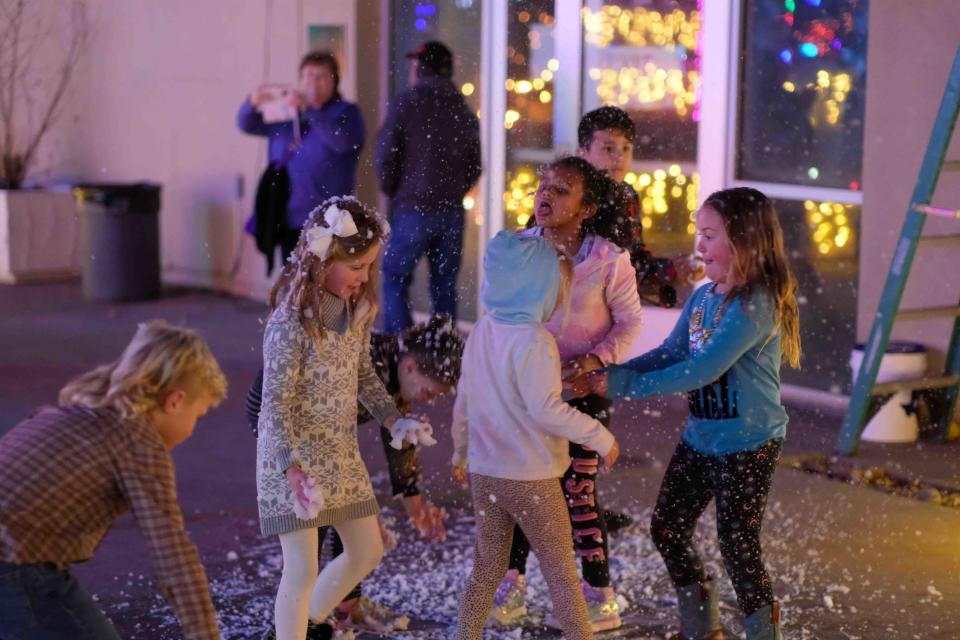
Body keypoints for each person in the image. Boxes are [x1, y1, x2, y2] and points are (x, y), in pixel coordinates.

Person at [568, 188, 801, 640]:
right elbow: (671, 354)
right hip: (700, 439)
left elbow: (700, 370)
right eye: (700, 233)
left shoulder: (756, 306)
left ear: (745, 242)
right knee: (668, 527)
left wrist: (616, 384)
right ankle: (701, 627)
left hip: (748, 444)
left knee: (737, 546)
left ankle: (763, 634)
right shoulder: (702, 299)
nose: (698, 246)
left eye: (709, 235)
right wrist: (608, 370)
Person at [489, 156, 642, 633]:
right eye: (542, 186)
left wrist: (597, 360)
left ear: (587, 208)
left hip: (583, 392)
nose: (545, 196)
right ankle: (510, 584)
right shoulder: (518, 248)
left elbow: (631, 321)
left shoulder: (607, 259)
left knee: (577, 492)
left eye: (561, 190)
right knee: (523, 489)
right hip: (526, 392)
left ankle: (599, 594)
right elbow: (501, 316)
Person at [0, 320, 227, 639]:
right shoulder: (137, 441)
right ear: (174, 401)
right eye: (198, 416)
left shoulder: (77, 414)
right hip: (14, 564)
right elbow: (173, 554)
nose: (193, 428)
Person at [246, 315, 464, 633]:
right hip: (279, 419)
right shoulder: (370, 361)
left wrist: (413, 499)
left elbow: (398, 444)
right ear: (410, 367)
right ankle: (306, 620)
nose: (428, 401)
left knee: (350, 525)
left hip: (323, 435)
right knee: (313, 532)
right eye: (430, 392)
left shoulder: (395, 372)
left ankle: (319, 617)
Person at [451, 231, 620, 640]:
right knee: (561, 574)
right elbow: (547, 409)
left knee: (487, 569)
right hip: (533, 480)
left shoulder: (482, 332)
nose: (561, 298)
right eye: (557, 288)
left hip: (487, 475)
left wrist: (460, 453)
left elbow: (465, 399)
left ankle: (464, 635)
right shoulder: (536, 342)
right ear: (536, 289)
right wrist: (599, 436)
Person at [256, 196, 410, 640]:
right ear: (322, 260)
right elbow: (274, 405)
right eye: (357, 266)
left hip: (339, 454)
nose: (364, 279)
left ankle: (309, 624)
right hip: (293, 462)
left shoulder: (356, 313)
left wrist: (392, 419)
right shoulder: (291, 323)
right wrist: (291, 466)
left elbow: (364, 374)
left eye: (369, 267)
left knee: (367, 549)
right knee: (302, 567)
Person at [375, 40, 482, 332]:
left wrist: (396, 191)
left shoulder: (407, 103)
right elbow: (475, 164)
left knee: (395, 278)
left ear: (421, 68)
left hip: (413, 208)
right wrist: (453, 192)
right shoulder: (461, 107)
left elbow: (386, 154)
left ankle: (401, 353)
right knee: (444, 287)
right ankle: (441, 357)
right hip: (450, 211)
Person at [238, 51, 366, 266]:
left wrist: (310, 111)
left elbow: (342, 142)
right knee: (293, 283)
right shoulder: (288, 112)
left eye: (321, 76)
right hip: (288, 215)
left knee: (324, 283)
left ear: (335, 81)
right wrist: (252, 102)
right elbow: (247, 124)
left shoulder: (347, 113)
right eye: (308, 75)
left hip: (327, 219)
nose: (313, 82)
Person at [577, 105, 703, 307]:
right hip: (571, 311)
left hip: (613, 312)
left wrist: (672, 271)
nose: (619, 157)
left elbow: (633, 260)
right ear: (582, 153)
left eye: (626, 148)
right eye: (608, 148)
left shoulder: (627, 196)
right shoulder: (570, 194)